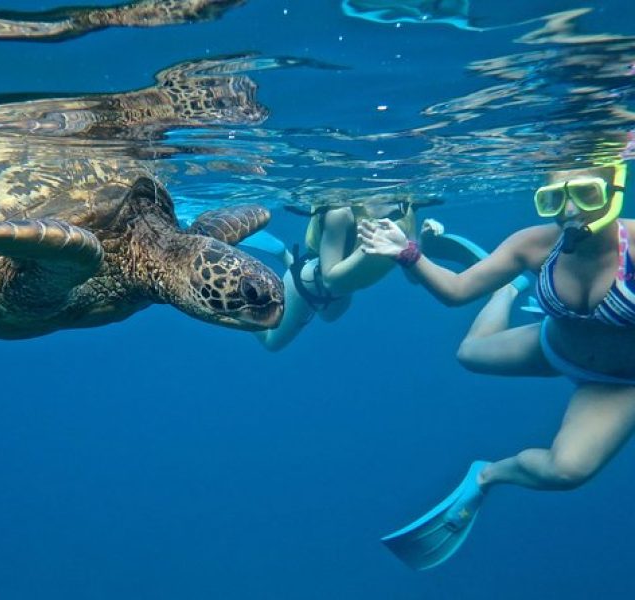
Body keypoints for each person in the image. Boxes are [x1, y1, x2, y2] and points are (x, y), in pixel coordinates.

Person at [358, 162, 634, 569]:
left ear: (614, 191)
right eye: (553, 199)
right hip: (553, 346)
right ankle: (505, 291)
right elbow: (456, 291)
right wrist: (408, 254)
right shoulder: (536, 244)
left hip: (617, 382)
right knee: (468, 354)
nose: (570, 210)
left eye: (586, 194)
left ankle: (487, 475)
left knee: (567, 470)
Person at [253, 198, 456, 351]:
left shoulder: (406, 211)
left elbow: (413, 277)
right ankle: (246, 294)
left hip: (342, 295)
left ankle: (286, 257)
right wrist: (369, 247)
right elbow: (330, 281)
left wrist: (423, 241)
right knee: (272, 343)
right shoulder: (340, 213)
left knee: (328, 318)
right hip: (307, 285)